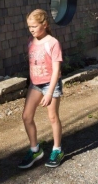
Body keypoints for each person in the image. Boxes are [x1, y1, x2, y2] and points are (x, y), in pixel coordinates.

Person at [18, 9, 65, 169]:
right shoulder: (31, 41)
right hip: (35, 84)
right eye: (29, 26)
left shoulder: (53, 43)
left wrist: (50, 92)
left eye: (34, 26)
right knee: (26, 117)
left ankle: (57, 150)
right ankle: (35, 149)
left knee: (53, 117)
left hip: (51, 84)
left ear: (44, 25)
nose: (31, 29)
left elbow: (56, 71)